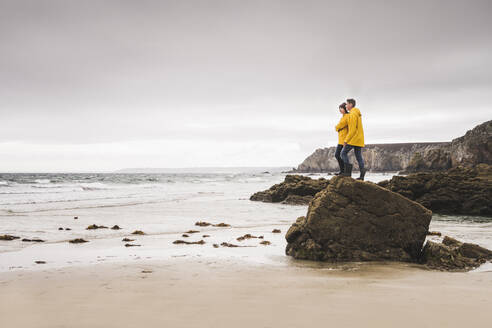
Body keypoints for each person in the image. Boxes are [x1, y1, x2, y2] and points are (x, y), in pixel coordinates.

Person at [341, 98, 367, 180]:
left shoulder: (352, 114)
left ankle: (347, 173)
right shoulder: (357, 113)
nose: (346, 106)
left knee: (343, 153)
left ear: (351, 105)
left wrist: (346, 140)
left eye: (347, 104)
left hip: (354, 138)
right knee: (359, 156)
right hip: (359, 138)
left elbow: (352, 129)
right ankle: (362, 176)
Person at [334, 103, 349, 175]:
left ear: (345, 108)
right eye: (339, 108)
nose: (340, 110)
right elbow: (338, 127)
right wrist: (338, 128)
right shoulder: (342, 117)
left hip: (344, 140)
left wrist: (337, 128)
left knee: (341, 155)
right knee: (337, 155)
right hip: (340, 140)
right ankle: (342, 171)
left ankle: (345, 171)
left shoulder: (347, 116)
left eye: (341, 108)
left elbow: (338, 126)